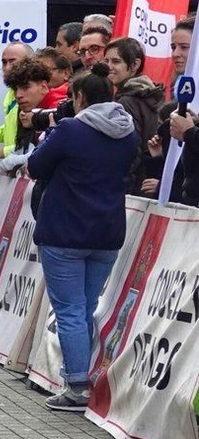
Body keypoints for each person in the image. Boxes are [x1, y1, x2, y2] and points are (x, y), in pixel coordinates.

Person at [27, 64, 137, 411]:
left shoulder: (71, 129)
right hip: (107, 232)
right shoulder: (128, 132)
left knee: (71, 311)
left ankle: (77, 384)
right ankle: (79, 374)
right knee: (85, 308)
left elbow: (35, 166)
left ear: (79, 98)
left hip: (65, 231)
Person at [104, 37, 163, 191]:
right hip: (147, 180)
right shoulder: (149, 94)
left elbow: (130, 149)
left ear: (135, 64)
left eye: (116, 61)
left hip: (134, 187)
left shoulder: (126, 101)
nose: (109, 67)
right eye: (106, 61)